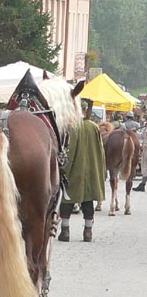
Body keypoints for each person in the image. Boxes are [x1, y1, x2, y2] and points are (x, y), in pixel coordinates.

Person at [58, 100, 105, 242]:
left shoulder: (70, 127)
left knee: (67, 199)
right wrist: (101, 170)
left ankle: (65, 232)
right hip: (91, 170)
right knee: (88, 200)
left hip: (74, 170)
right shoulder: (94, 127)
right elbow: (100, 151)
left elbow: (68, 152)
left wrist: (63, 169)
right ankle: (88, 232)